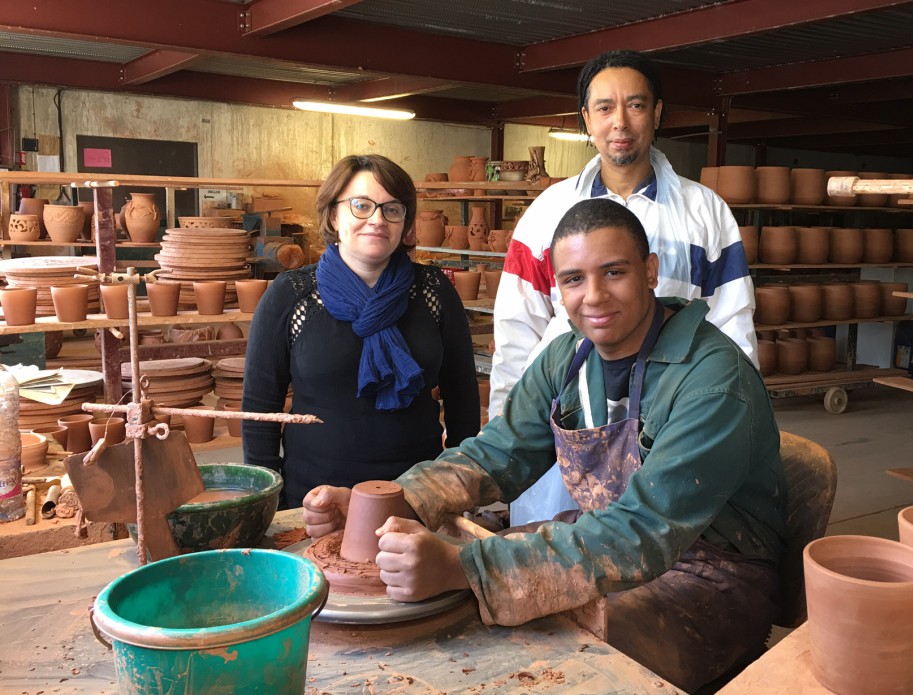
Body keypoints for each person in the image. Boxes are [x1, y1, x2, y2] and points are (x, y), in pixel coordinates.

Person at [303, 199, 786, 692]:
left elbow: (643, 532)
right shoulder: (568, 359)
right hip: (603, 536)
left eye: (613, 272)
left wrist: (464, 567)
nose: (593, 296)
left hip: (711, 579)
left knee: (542, 668)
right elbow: (498, 452)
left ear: (650, 271)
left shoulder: (713, 381)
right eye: (574, 279)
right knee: (483, 612)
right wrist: (389, 503)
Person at [490, 49, 758, 525]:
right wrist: (504, 425)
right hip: (569, 416)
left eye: (635, 105)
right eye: (604, 108)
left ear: (656, 113)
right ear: (586, 120)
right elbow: (517, 328)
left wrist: (735, 426)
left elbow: (733, 328)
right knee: (554, 563)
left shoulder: (705, 212)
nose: (620, 122)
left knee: (661, 552)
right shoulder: (547, 213)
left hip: (674, 420)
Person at [243, 154, 481, 508]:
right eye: (361, 206)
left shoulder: (434, 292)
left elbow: (462, 397)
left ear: (405, 223)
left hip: (417, 499)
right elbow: (260, 408)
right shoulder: (291, 295)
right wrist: (267, 503)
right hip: (314, 501)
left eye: (391, 209)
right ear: (334, 215)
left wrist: (460, 487)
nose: (377, 220)